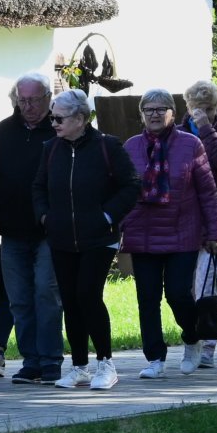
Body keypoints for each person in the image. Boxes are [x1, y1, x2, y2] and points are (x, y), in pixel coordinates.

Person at [34, 89, 136, 390]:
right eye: (52, 117)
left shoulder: (108, 146)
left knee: (87, 296)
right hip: (62, 238)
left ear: (80, 118)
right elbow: (38, 188)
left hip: (98, 239)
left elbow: (131, 186)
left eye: (59, 117)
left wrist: (106, 216)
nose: (54, 123)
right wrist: (45, 217)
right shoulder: (51, 148)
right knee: (70, 300)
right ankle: (79, 366)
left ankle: (106, 363)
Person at [122, 89, 217, 377]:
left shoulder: (191, 145)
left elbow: (208, 191)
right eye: (149, 109)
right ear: (141, 114)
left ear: (173, 113)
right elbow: (123, 191)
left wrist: (214, 231)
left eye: (161, 108)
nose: (155, 114)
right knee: (148, 298)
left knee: (178, 294)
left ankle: (192, 337)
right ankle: (155, 358)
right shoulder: (130, 147)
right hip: (143, 233)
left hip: (183, 233)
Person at [0, 72, 63, 385]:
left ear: (47, 99)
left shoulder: (58, 130)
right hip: (11, 231)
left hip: (48, 232)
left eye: (32, 100)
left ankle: (51, 361)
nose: (26, 106)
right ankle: (30, 362)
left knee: (46, 292)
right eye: (22, 100)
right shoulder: (4, 130)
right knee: (18, 298)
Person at [181, 79, 217, 366]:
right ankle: (192, 340)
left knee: (207, 289)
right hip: (183, 225)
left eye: (208, 108)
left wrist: (205, 128)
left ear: (216, 107)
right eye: (196, 108)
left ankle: (207, 348)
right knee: (185, 290)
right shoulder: (177, 133)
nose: (201, 113)